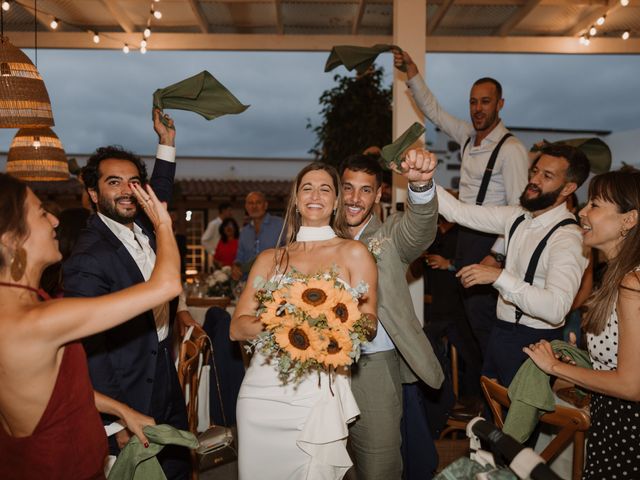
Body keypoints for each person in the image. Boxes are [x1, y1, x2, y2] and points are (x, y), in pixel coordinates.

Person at [0, 173, 182, 479]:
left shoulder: (25, 309)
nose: (55, 221)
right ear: (12, 238)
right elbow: (166, 286)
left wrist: (121, 411)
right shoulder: (33, 322)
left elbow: (50, 387)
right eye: (42, 212)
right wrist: (163, 225)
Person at [63, 110, 191, 479]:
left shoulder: (145, 228)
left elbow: (159, 194)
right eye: (114, 182)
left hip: (162, 370)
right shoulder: (89, 257)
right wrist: (113, 421)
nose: (126, 191)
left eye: (133, 183)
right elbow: (89, 347)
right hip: (127, 388)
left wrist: (166, 143)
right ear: (92, 192)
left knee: (177, 465)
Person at [230, 162, 378, 480]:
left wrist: (329, 324)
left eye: (325, 188)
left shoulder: (355, 253)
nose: (315, 195)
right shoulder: (271, 258)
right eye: (307, 188)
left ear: (337, 201)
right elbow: (237, 327)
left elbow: (369, 323)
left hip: (318, 391)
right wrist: (288, 322)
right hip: (262, 394)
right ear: (296, 200)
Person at [393, 49, 529, 372]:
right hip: (464, 237)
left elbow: (519, 212)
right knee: (464, 321)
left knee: (484, 323)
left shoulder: (511, 151)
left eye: (485, 101)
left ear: (500, 104)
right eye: (473, 102)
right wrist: (412, 73)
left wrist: (496, 255)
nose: (477, 109)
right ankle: (478, 391)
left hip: (491, 243)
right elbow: (435, 112)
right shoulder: (469, 138)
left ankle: (498, 392)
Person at [436, 144, 590, 387]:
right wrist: (420, 180)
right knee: (491, 417)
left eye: (547, 176)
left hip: (536, 344)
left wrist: (499, 277)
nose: (534, 180)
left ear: (569, 188)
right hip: (500, 333)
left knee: (520, 423)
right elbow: (458, 212)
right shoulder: (517, 216)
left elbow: (557, 308)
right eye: (535, 171)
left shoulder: (568, 238)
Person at [524, 168, 640, 479]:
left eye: (595, 205)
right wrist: (582, 363)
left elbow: (631, 385)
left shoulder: (632, 282)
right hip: (612, 422)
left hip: (627, 432)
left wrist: (555, 367)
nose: (583, 211)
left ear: (629, 219)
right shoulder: (618, 276)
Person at [340, 151, 444, 479]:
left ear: (379, 194)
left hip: (372, 367)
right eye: (348, 188)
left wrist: (421, 186)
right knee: (329, 462)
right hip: (320, 369)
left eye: (365, 189)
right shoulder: (318, 238)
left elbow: (419, 230)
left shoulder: (388, 237)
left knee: (379, 464)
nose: (355, 199)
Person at [232, 191, 284, 278]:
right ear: (246, 207)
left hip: (275, 282)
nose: (254, 206)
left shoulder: (280, 225)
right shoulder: (244, 232)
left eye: (258, 202)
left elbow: (291, 250)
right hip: (248, 283)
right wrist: (236, 266)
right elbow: (239, 257)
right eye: (250, 203)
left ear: (266, 205)